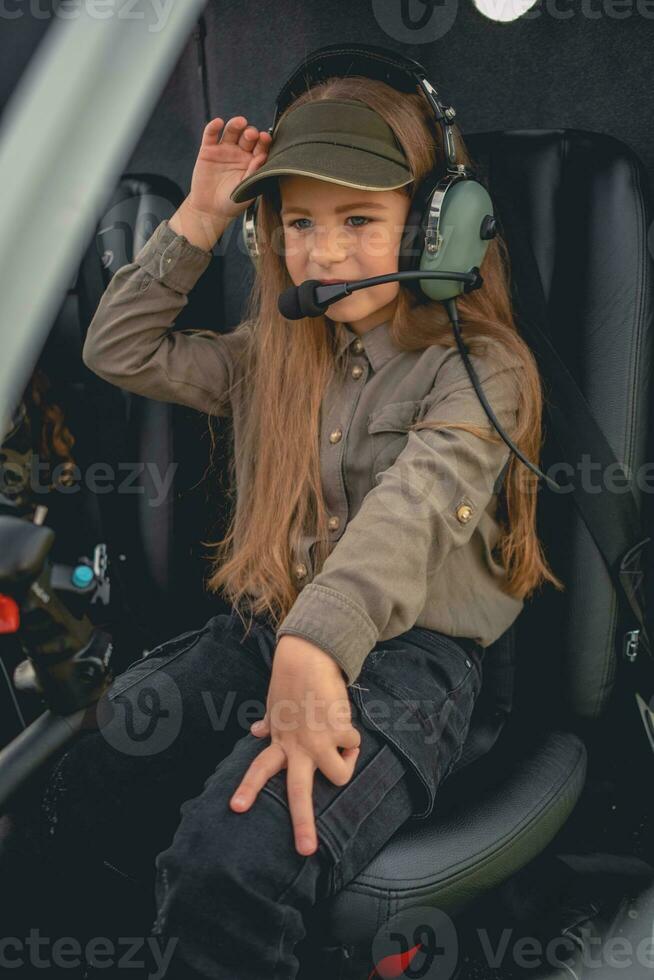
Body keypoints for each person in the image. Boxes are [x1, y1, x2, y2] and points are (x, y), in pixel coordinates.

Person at [2, 68, 564, 980]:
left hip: (414, 667)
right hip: (267, 630)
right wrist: (199, 220)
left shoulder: (482, 371)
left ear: (431, 228)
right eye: (299, 223)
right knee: (89, 775)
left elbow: (409, 514)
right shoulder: (276, 351)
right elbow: (120, 349)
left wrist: (316, 647)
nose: (325, 254)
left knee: (227, 866)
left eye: (357, 222)